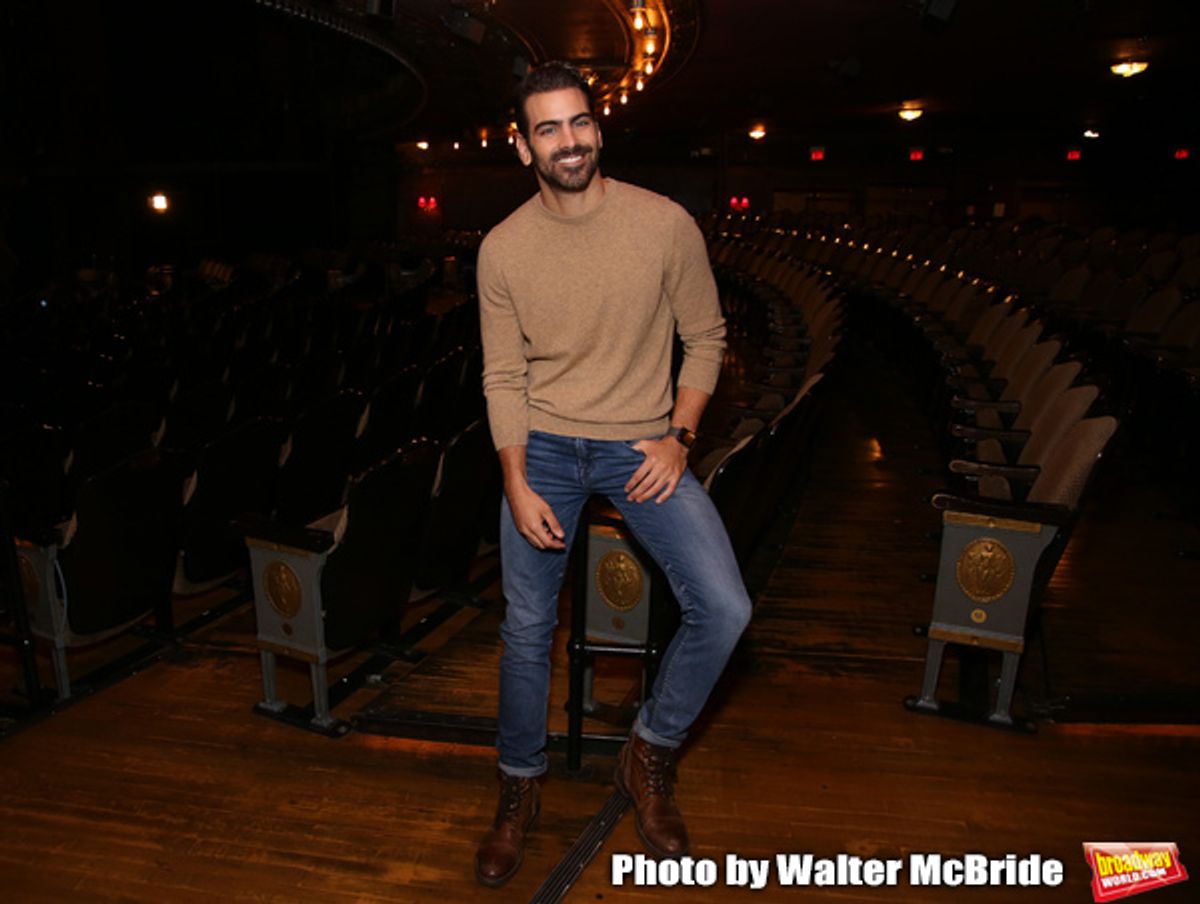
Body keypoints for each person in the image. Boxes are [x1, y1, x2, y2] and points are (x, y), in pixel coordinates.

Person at [473, 61, 752, 887]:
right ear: (524, 147)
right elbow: (502, 379)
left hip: (642, 445)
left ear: (600, 127)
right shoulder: (503, 249)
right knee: (526, 628)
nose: (570, 140)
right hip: (547, 448)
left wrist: (679, 438)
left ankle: (649, 751)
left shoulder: (664, 225)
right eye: (549, 128)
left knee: (726, 607)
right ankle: (518, 786)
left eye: (580, 122)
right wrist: (517, 482)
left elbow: (706, 338)